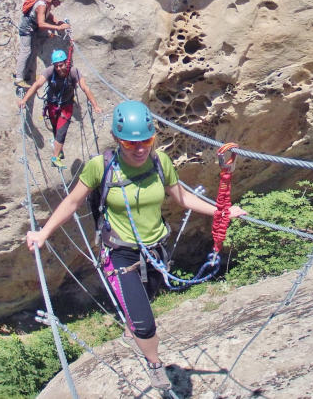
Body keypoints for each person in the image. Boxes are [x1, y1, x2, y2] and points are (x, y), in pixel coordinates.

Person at [25, 100, 246, 390]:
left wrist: (222, 211)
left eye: (146, 141)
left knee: (148, 295)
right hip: (119, 252)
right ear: (117, 140)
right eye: (131, 144)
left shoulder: (160, 162)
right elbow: (72, 202)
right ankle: (155, 364)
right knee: (144, 323)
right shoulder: (100, 166)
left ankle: (134, 323)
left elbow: (182, 198)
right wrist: (43, 233)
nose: (140, 149)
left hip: (155, 249)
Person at [17, 49, 102, 168]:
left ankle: (55, 157)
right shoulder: (50, 71)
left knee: (61, 132)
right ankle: (59, 150)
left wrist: (95, 106)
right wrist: (24, 100)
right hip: (52, 106)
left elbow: (85, 88)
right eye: (56, 66)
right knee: (56, 131)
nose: (59, 68)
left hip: (66, 107)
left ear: (66, 63)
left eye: (61, 65)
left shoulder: (74, 72)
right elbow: (37, 85)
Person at [14, 0, 71, 88]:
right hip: (27, 29)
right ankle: (19, 78)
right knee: (26, 51)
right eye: (59, 1)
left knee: (31, 51)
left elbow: (47, 15)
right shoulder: (42, 5)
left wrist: (57, 21)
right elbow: (41, 24)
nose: (59, 4)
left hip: (31, 28)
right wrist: (58, 27)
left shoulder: (47, 0)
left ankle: (24, 73)